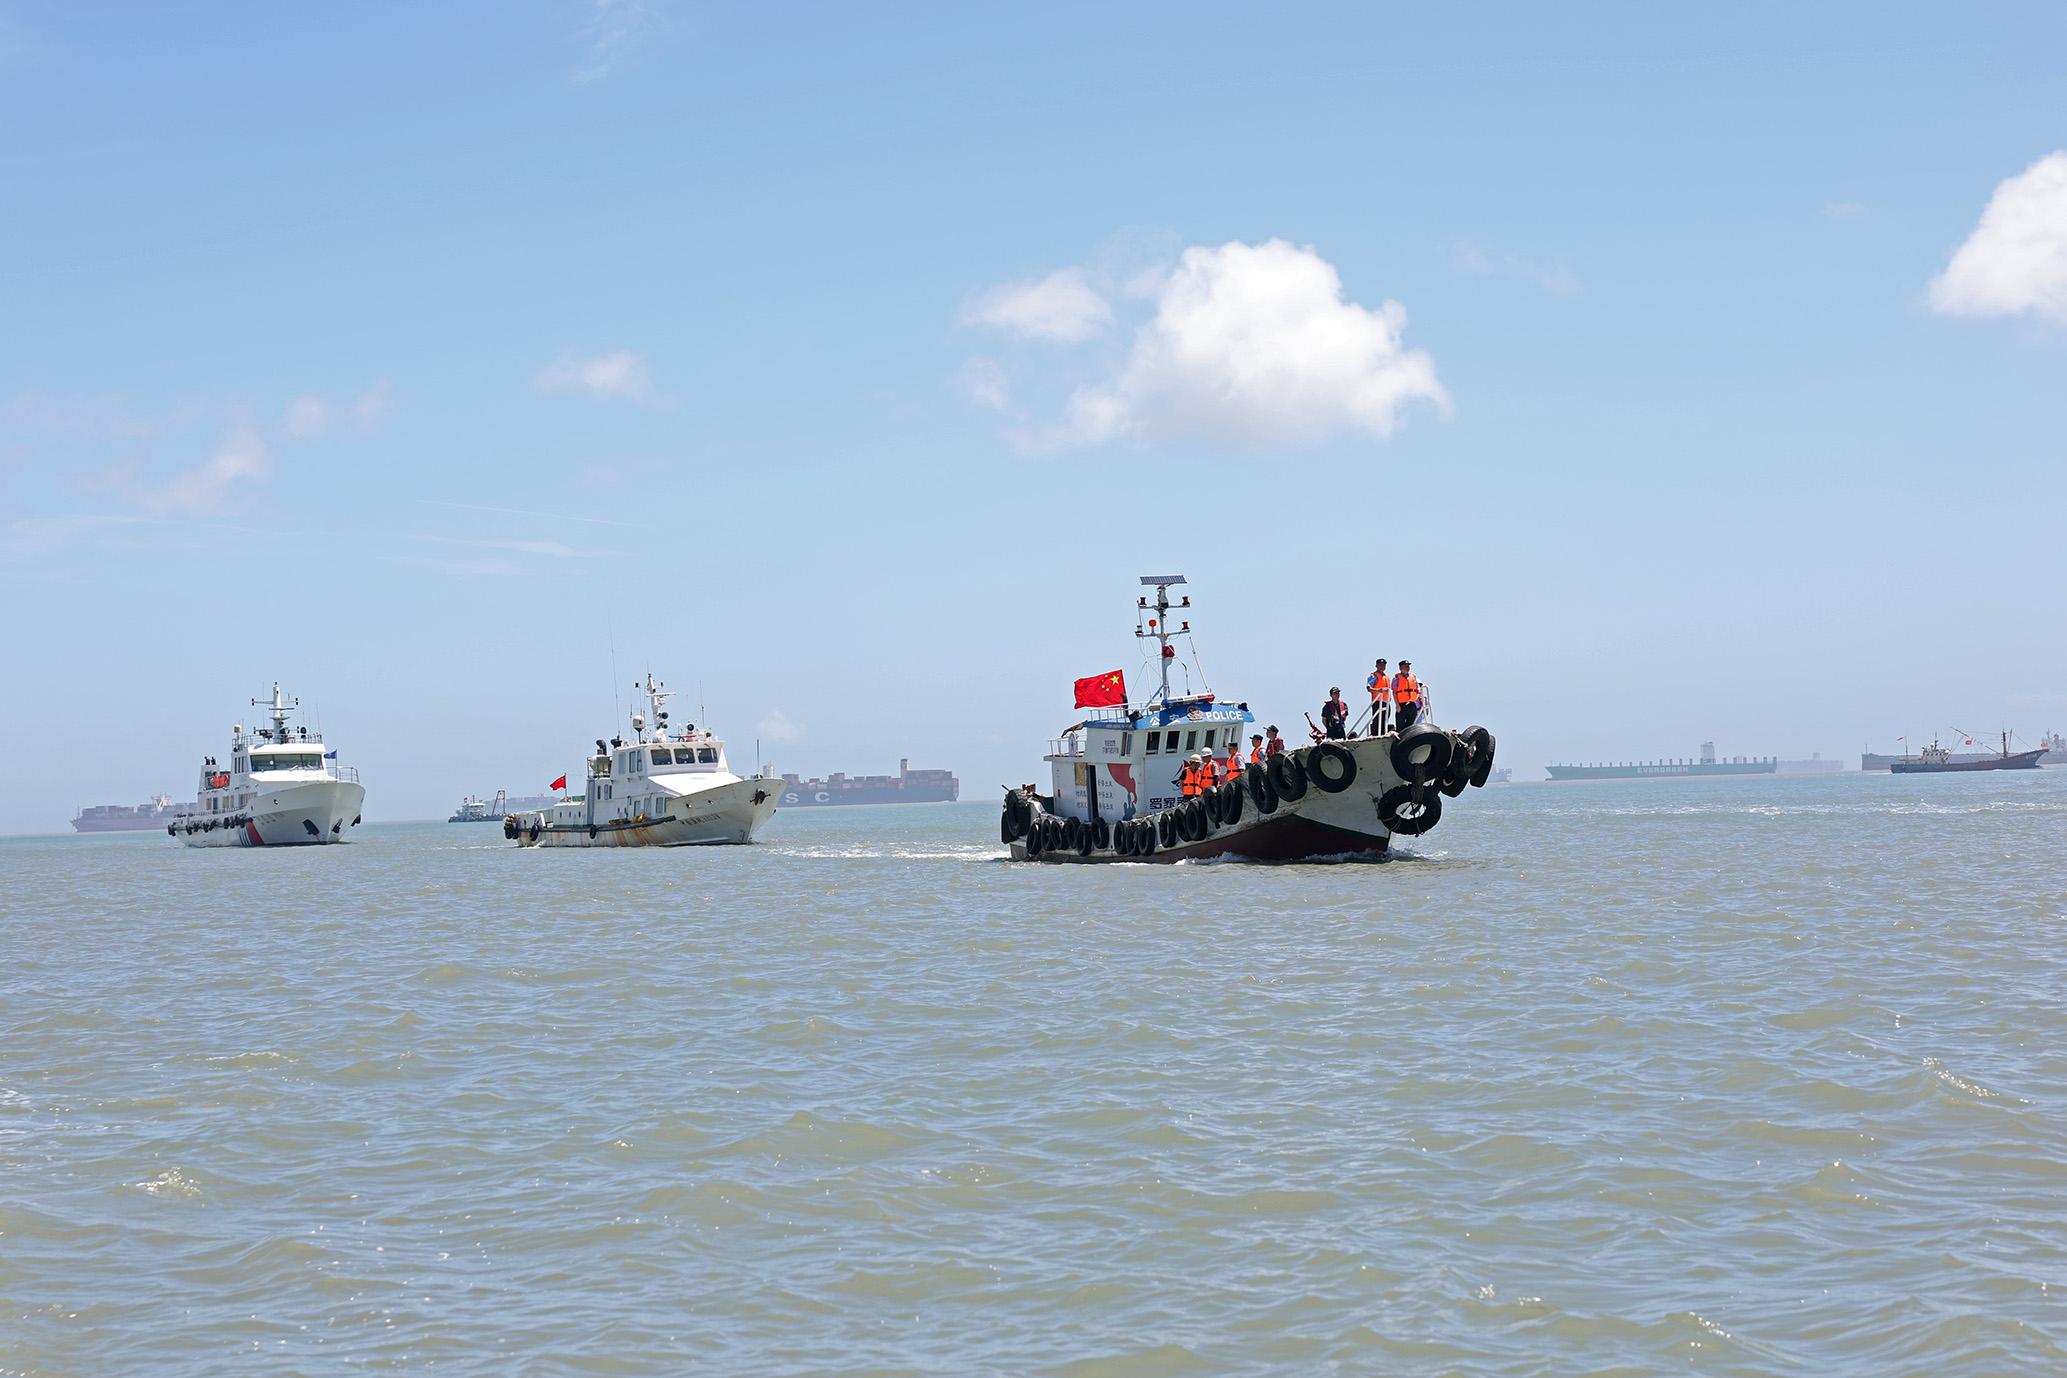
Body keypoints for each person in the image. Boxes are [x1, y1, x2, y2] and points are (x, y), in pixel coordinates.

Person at [1391, 661, 1421, 730]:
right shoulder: (1396, 679)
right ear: (1400, 668)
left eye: (1408, 666)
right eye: (1405, 666)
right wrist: (1397, 705)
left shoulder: (1413, 677)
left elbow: (1417, 690)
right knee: (1400, 723)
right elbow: (1394, 693)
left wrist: (1414, 700)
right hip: (1402, 704)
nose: (1408, 668)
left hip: (1412, 703)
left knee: (1411, 723)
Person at [1365, 658, 1391, 736]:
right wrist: (1378, 690)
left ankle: (1383, 734)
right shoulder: (1374, 676)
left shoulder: (1386, 676)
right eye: (1380, 665)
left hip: (1386, 702)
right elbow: (1369, 688)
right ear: (1376, 666)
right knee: (1377, 720)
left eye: (1383, 665)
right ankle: (1374, 735)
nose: (1382, 666)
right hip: (1377, 701)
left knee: (1385, 720)